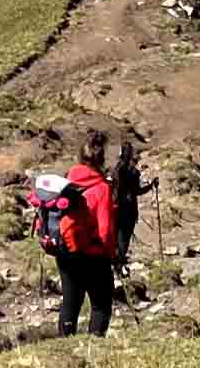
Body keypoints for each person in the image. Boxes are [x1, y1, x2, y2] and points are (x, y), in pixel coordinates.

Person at [33, 132, 120, 337]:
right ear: (101, 159)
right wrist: (112, 254)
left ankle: (65, 343)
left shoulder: (66, 180)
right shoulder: (101, 188)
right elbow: (105, 229)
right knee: (101, 304)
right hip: (94, 254)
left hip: (65, 250)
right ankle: (95, 345)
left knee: (71, 301)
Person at [108, 128, 146, 277]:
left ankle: (114, 265)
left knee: (115, 237)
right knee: (124, 239)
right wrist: (151, 186)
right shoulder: (133, 172)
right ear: (130, 154)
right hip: (129, 209)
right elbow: (138, 191)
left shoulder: (114, 170)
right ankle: (119, 266)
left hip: (115, 207)